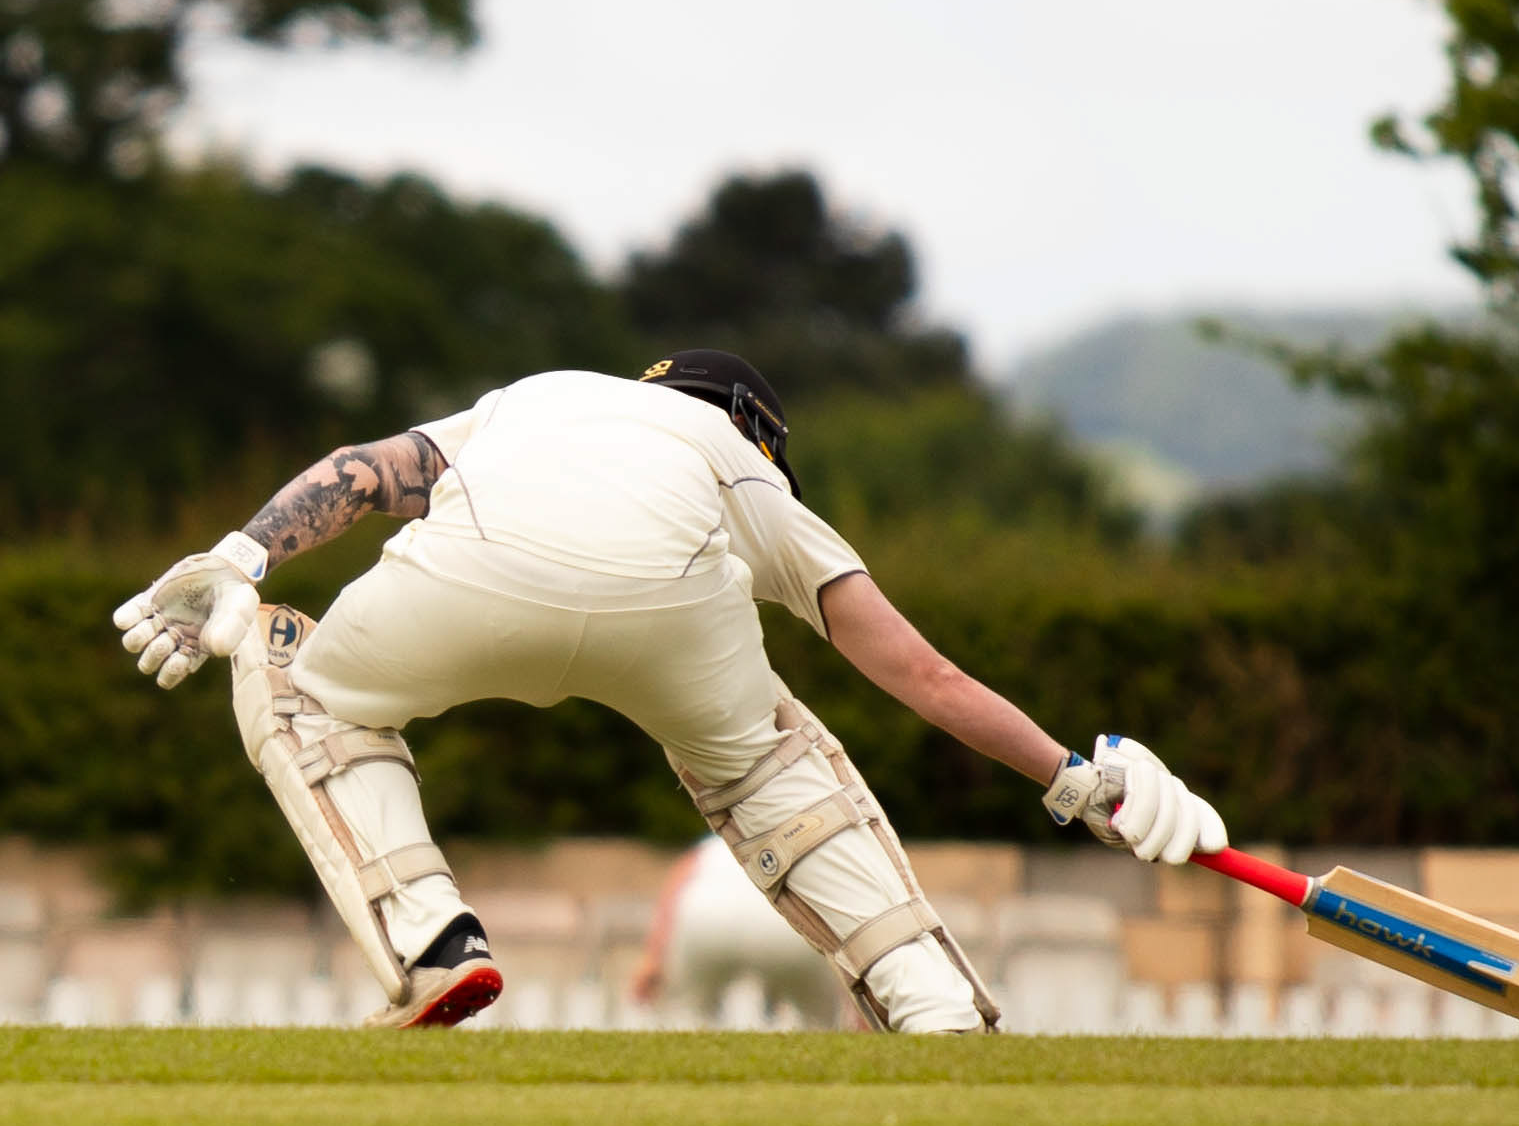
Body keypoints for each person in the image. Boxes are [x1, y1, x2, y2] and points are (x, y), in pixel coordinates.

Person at [113, 351, 1227, 1030]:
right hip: (676, 623)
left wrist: (243, 558)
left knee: (298, 676)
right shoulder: (742, 460)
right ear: (761, 429)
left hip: (470, 573)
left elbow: (363, 473)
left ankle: (434, 943)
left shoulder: (535, 399)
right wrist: (1080, 781)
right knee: (767, 755)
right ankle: (932, 1003)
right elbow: (921, 673)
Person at [631, 833, 848, 1028]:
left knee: (691, 1012)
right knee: (818, 1017)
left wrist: (653, 958)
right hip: (785, 926)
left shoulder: (712, 845)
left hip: (707, 918)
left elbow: (676, 888)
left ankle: (693, 1060)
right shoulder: (807, 841)